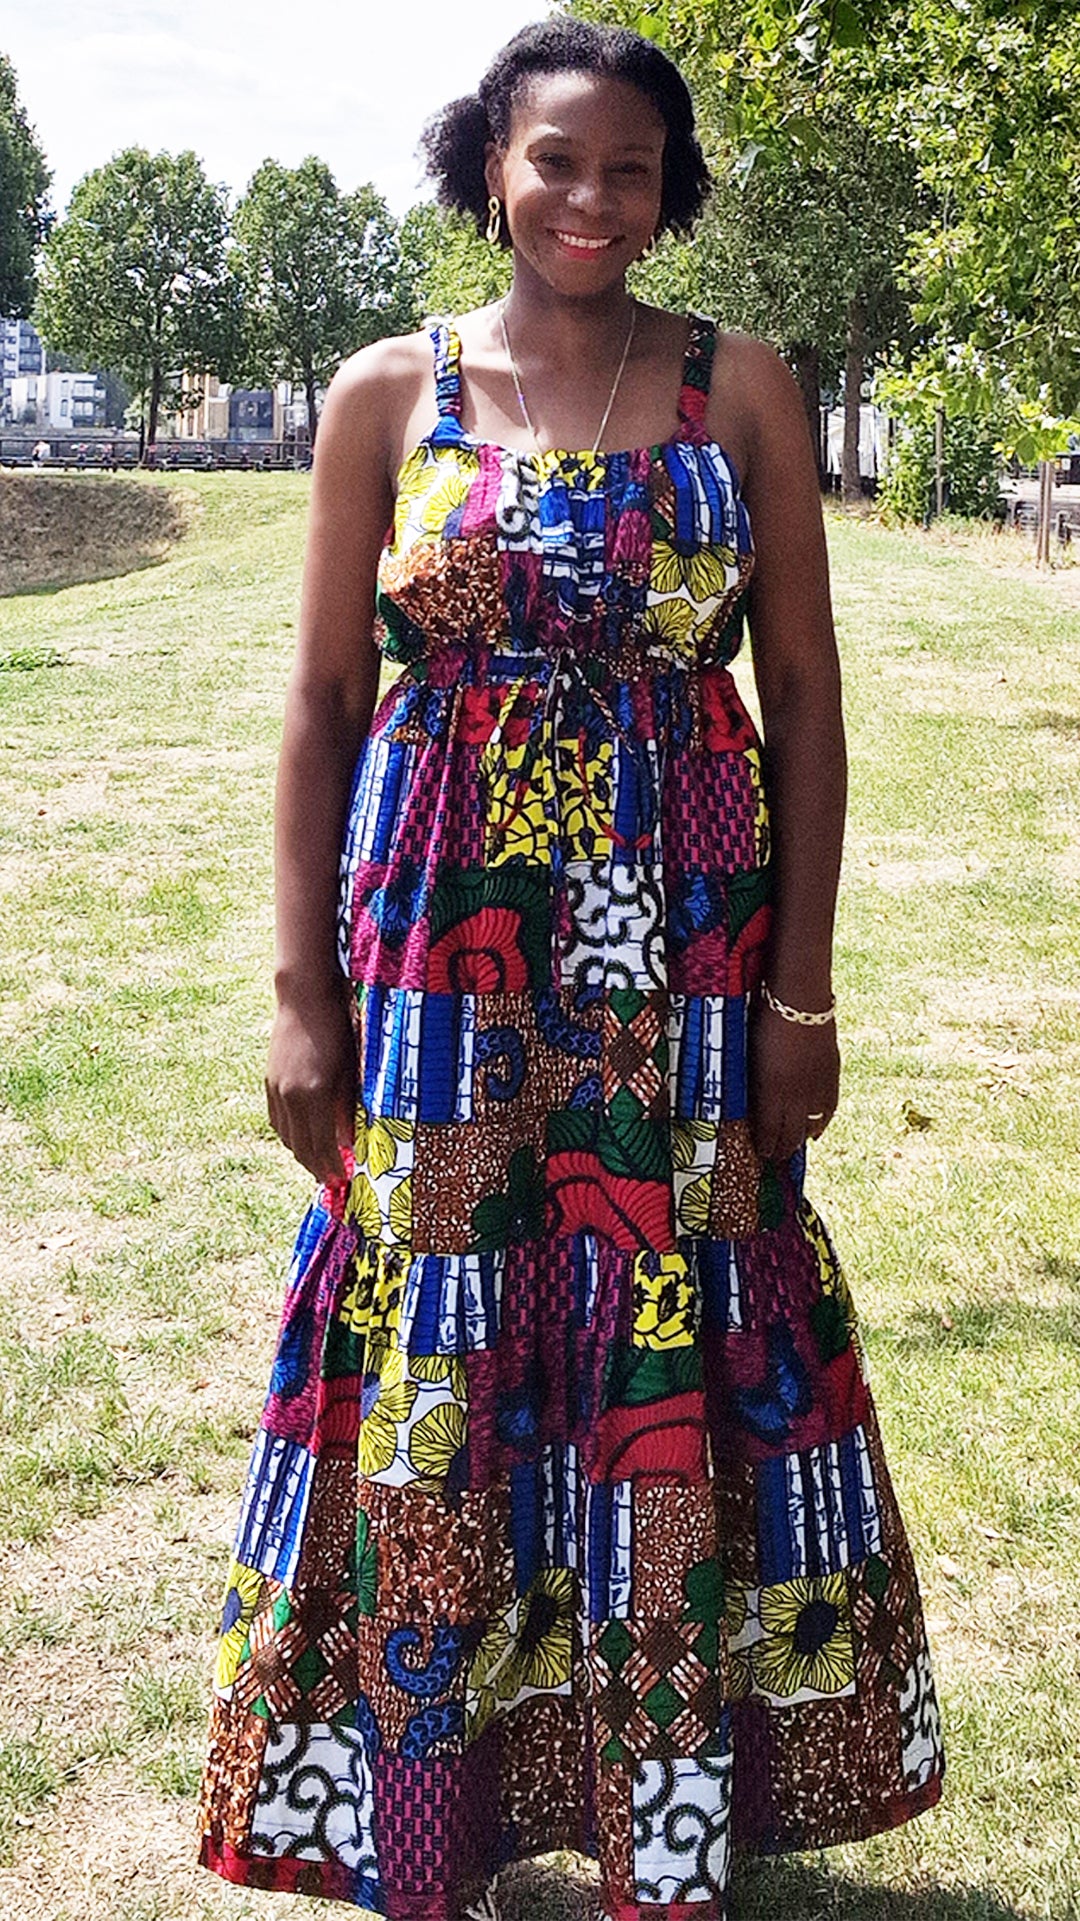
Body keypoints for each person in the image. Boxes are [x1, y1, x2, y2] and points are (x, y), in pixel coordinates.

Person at [197, 18, 944, 1919]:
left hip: (684, 954)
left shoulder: (741, 387)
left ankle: (671, 1798)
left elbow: (809, 703)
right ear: (490, 167)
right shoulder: (388, 392)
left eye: (629, 169)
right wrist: (302, 989)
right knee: (449, 1337)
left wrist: (801, 992)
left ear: (668, 186)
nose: (590, 200)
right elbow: (320, 700)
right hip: (444, 959)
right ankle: (433, 1801)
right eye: (555, 161)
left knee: (673, 1318)